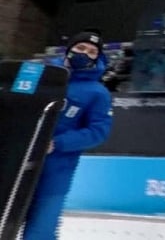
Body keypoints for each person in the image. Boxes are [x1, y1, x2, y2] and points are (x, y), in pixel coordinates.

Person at [21, 31, 113, 240]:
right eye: (80, 48)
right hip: (16, 159)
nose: (85, 53)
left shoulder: (98, 93)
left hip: (56, 171)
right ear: (69, 49)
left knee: (40, 230)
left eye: (92, 52)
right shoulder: (40, 75)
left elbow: (99, 131)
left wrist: (57, 143)